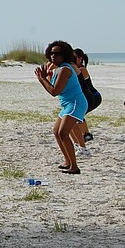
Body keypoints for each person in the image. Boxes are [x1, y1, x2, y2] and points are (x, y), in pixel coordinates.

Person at [35, 40, 88, 175]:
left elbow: (54, 91)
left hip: (76, 103)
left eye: (57, 53)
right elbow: (53, 87)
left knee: (63, 133)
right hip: (67, 104)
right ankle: (68, 161)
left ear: (64, 55)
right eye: (51, 53)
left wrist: (42, 79)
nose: (53, 56)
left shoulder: (65, 69)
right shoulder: (58, 69)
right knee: (56, 131)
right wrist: (46, 77)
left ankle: (74, 166)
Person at [73, 48, 102, 145]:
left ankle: (86, 134)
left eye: (74, 57)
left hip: (94, 97)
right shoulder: (74, 69)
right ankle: (85, 134)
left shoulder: (82, 69)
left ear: (80, 58)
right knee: (77, 115)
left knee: (77, 115)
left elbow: (79, 79)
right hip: (87, 97)